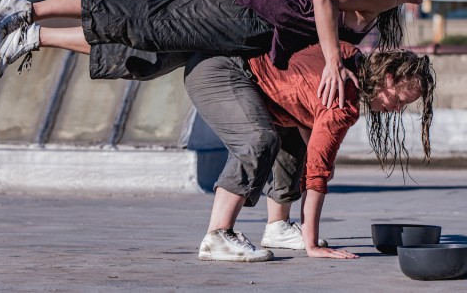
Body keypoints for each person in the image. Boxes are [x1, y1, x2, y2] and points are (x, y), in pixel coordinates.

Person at [0, 0, 434, 107]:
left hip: (253, 34)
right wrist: (335, 63)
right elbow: (325, 0)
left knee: (148, 57)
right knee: (145, 17)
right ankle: (25, 8)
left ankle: (32, 37)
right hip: (248, 9)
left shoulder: (388, 6)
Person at [185, 42, 436, 262]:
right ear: (389, 78)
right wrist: (312, 245)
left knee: (295, 137)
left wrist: (322, 157)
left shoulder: (349, 57)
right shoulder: (342, 102)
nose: (396, 109)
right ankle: (217, 235)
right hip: (221, 72)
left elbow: (307, 108)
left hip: (246, 77)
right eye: (400, 101)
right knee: (259, 139)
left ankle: (277, 227)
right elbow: (316, 177)